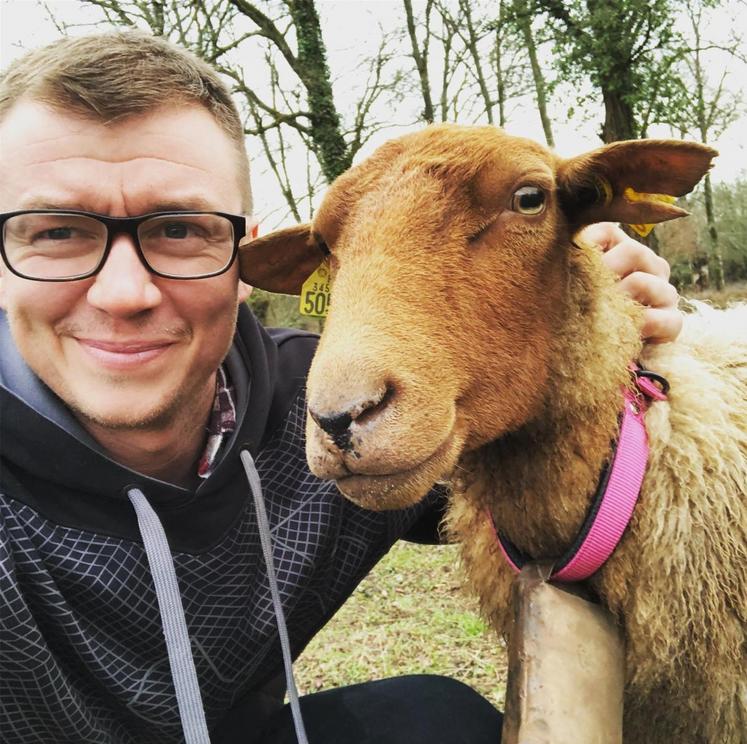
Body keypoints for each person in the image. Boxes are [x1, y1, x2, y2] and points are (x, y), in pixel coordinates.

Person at [0, 32, 683, 744]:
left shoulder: (332, 411)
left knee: (433, 722)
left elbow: (559, 482)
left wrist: (585, 331)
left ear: (243, 257)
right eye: (54, 232)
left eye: (179, 229)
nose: (123, 292)